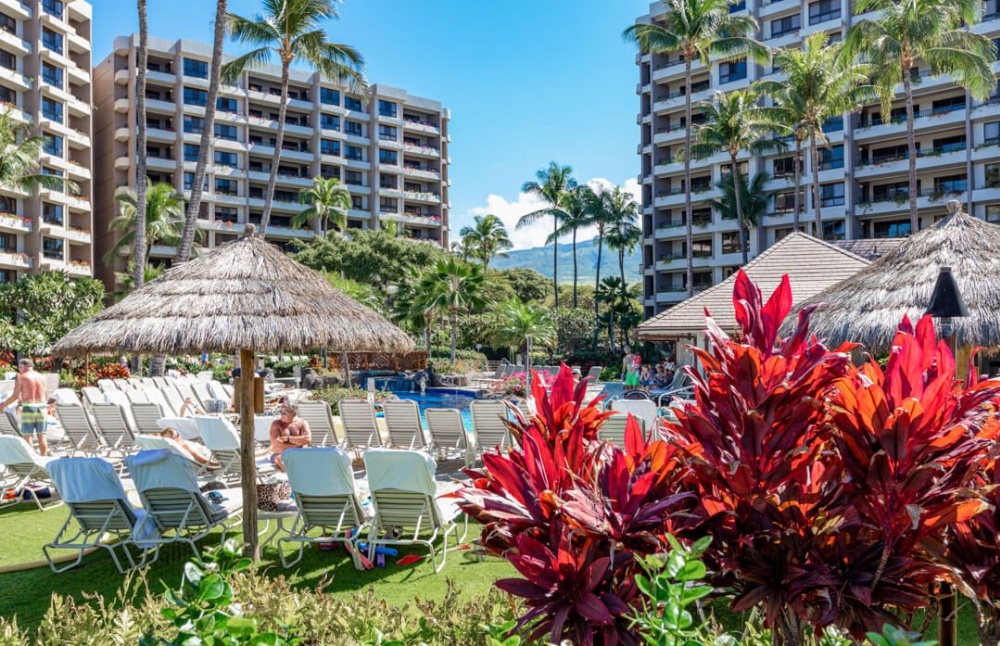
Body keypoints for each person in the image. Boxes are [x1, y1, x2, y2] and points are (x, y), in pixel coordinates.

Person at [0, 358, 49, 455]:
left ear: (23, 366)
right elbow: (45, 394)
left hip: (29, 407)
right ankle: (44, 460)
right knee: (42, 436)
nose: (19, 369)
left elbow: (15, 396)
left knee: (28, 436)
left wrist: (2, 405)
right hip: (42, 408)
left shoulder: (21, 377)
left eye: (19, 367)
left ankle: (32, 461)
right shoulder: (42, 377)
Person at [268, 404, 311, 472]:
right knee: (281, 461)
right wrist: (297, 445)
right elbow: (275, 443)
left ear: (293, 413)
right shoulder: (276, 424)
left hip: (300, 455)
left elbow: (307, 439)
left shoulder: (302, 422)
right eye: (281, 412)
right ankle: (289, 479)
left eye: (284, 413)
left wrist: (288, 438)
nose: (281, 415)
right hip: (280, 455)